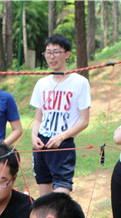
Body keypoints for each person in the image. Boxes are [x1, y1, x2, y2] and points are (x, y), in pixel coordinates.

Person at [31, 34, 91, 195]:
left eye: (56, 52)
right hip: (41, 143)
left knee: (60, 195)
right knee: (44, 195)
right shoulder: (42, 83)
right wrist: (33, 136)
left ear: (67, 54)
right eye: (48, 52)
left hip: (63, 144)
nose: (52, 57)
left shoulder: (80, 82)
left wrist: (62, 137)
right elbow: (38, 117)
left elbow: (84, 121)